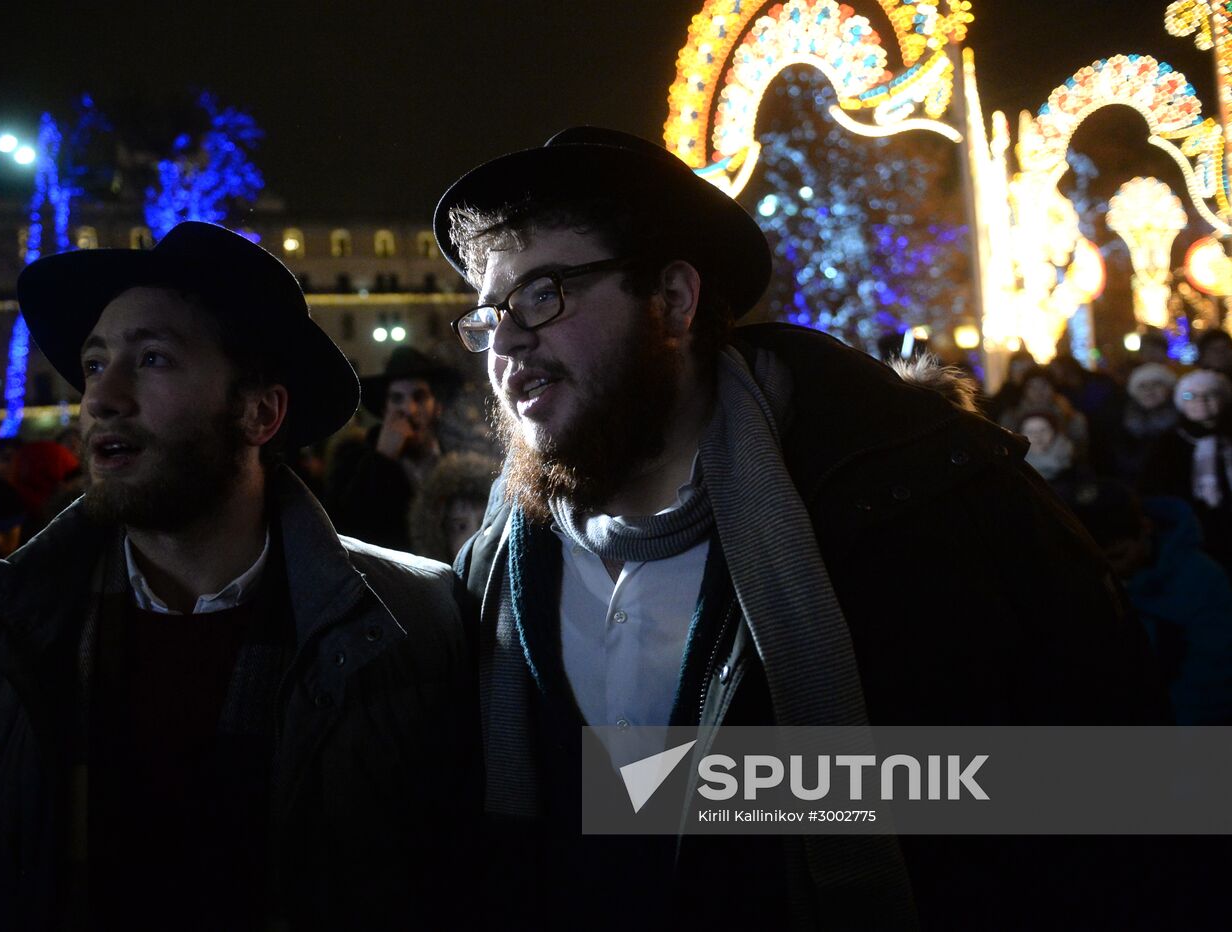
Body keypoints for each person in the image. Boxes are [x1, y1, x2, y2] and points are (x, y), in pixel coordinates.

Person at [434, 127, 1162, 928]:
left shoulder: (923, 499)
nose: (506, 339)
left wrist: (720, 793)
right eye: (488, 313)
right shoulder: (487, 566)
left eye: (546, 293)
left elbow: (1130, 789)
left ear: (673, 299)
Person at [0, 222, 474, 930]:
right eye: (93, 364)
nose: (102, 397)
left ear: (259, 412)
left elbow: (480, 874)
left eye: (152, 359)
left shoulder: (417, 621)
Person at [1060, 479, 1232, 724]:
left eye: (1118, 556)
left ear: (1146, 528)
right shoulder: (1077, 580)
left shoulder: (1200, 580)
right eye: (1096, 562)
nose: (1110, 570)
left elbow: (1210, 681)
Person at [326, 346, 462, 550]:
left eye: (419, 397)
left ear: (437, 407)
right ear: (385, 409)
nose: (409, 409)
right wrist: (381, 460)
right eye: (397, 398)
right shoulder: (354, 461)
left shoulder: (458, 461)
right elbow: (345, 530)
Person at [1142, 368, 1232, 572]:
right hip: (1189, 531)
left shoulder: (1227, 439)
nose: (1201, 401)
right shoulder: (1169, 442)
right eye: (1190, 396)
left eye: (1211, 394)